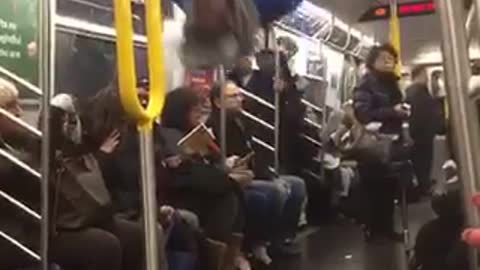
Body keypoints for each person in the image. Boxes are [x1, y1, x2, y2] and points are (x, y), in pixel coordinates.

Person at [208, 81, 305, 255]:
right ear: (217, 102)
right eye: (233, 96)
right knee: (276, 191)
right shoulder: (214, 127)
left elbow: (251, 153)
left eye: (240, 95)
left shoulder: (240, 122)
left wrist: (267, 174)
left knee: (297, 184)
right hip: (235, 177)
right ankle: (260, 242)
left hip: (250, 171)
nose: (240, 99)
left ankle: (282, 238)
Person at [160, 87, 249, 270]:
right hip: (181, 193)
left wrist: (217, 158)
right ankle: (218, 257)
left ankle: (227, 255)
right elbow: (188, 173)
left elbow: (210, 163)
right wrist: (226, 177)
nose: (199, 113)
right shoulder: (170, 138)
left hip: (195, 185)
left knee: (231, 191)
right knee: (228, 195)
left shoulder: (194, 133)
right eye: (195, 109)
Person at [353, 44, 410, 243]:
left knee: (389, 188)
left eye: (391, 59)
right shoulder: (366, 84)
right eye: (383, 58)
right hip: (373, 143)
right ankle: (373, 230)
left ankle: (386, 229)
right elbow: (364, 113)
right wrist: (393, 112)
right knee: (373, 188)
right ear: (373, 61)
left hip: (392, 142)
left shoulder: (393, 84)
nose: (388, 62)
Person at [406, 65, 441, 195]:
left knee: (421, 161)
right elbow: (422, 114)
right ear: (419, 75)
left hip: (418, 132)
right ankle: (423, 187)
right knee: (423, 161)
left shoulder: (411, 92)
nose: (426, 78)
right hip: (422, 133)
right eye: (425, 74)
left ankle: (423, 184)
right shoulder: (418, 92)